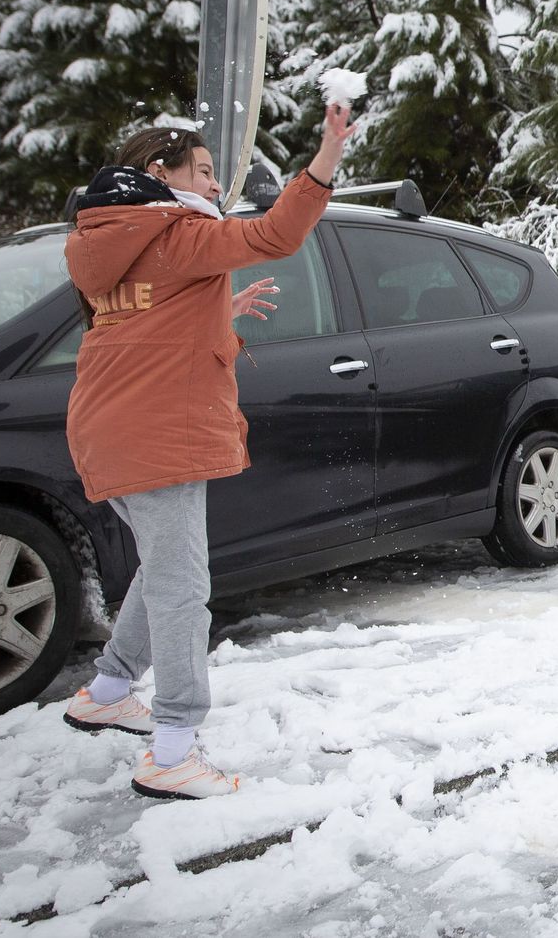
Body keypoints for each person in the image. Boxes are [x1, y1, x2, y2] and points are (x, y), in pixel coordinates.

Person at [60, 104, 355, 799]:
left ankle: (107, 688)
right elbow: (280, 232)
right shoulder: (181, 231)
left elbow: (144, 320)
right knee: (183, 588)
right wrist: (327, 157)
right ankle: (172, 750)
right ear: (160, 175)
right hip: (159, 435)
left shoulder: (104, 240)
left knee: (163, 569)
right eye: (204, 171)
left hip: (107, 429)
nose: (215, 186)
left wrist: (216, 309)